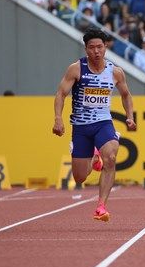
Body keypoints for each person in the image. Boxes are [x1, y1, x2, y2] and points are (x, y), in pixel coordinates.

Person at [53, 28, 137, 222]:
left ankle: (101, 206)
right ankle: (94, 160)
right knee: (80, 177)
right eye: (92, 48)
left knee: (112, 157)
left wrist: (130, 116)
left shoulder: (115, 71)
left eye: (100, 47)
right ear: (86, 49)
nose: (96, 52)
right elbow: (61, 94)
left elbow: (126, 94)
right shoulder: (76, 69)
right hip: (81, 127)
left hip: (103, 123)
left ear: (105, 48)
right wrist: (58, 118)